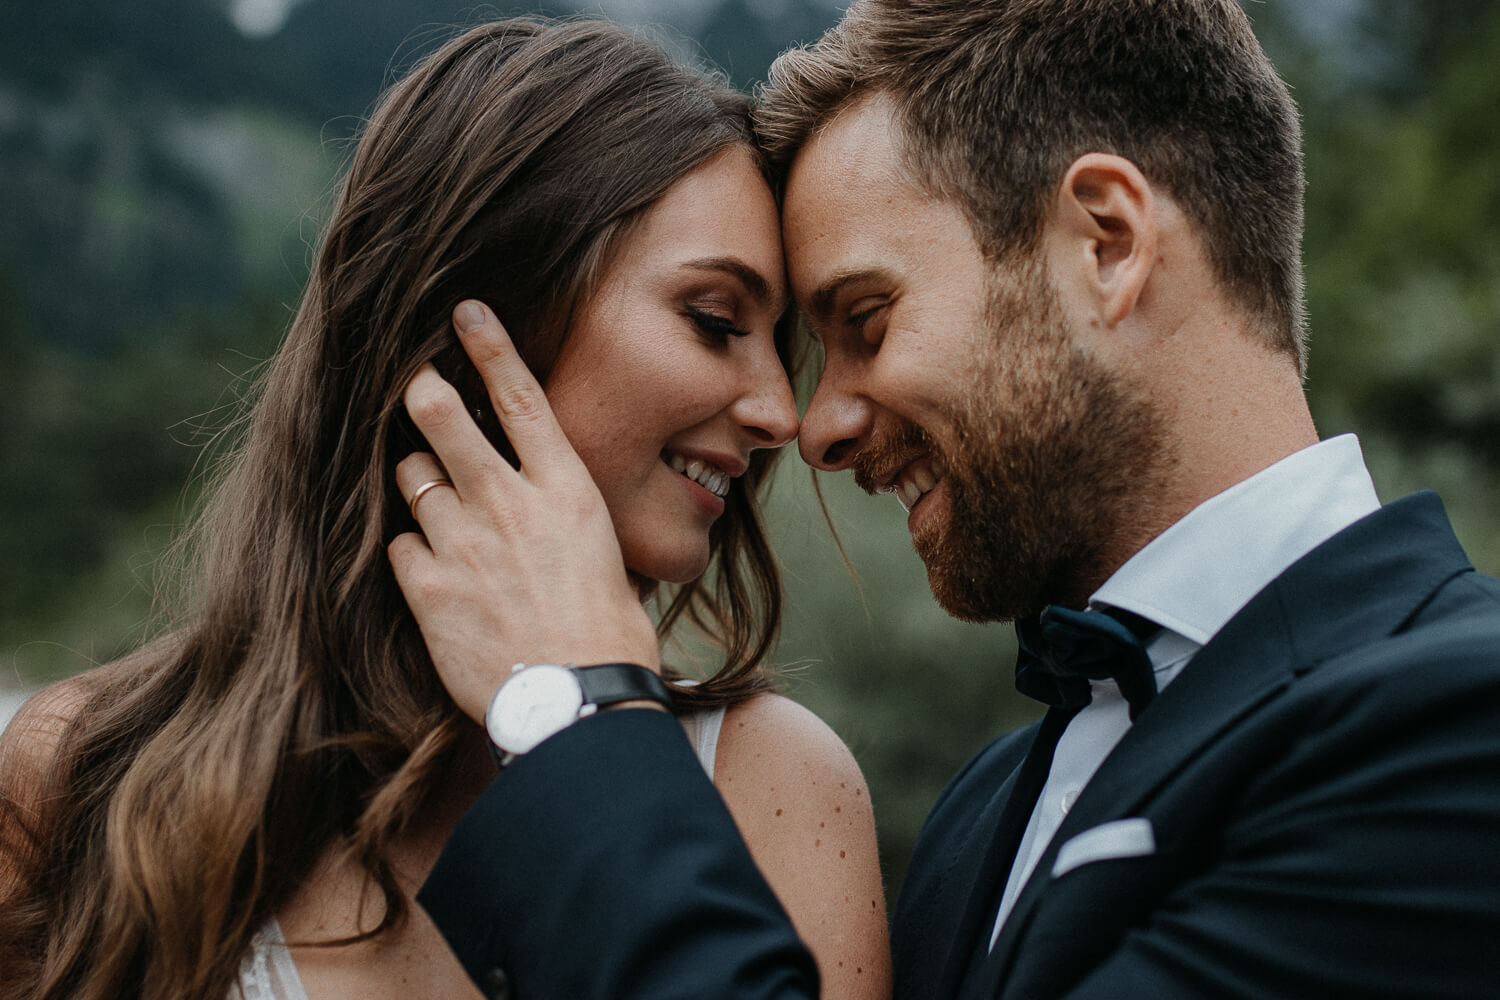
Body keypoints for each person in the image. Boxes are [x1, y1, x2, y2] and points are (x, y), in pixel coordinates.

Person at [392, 1, 1500, 998]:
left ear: (1107, 243)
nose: (814, 427)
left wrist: (577, 712)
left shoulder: (1459, 719)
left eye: (865, 322)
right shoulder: (982, 813)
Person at [0, 17, 892, 1000]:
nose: (779, 410)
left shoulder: (776, 788)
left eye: (781, 344)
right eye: (716, 320)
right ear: (480, 315)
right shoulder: (87, 778)